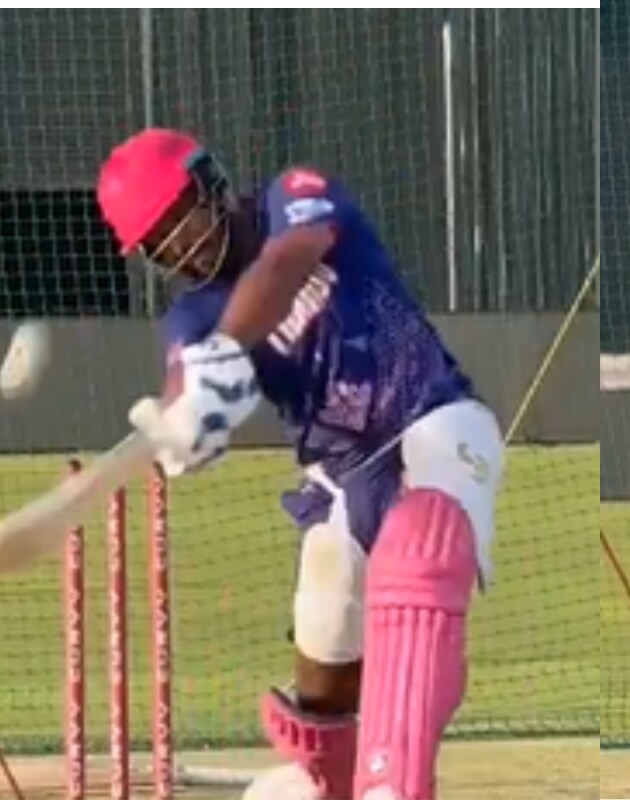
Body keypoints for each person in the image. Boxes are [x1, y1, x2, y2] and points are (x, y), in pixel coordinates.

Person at [96, 128, 506, 800]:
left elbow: (285, 265)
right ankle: (328, 777)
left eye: (179, 219)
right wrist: (184, 423)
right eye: (157, 242)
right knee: (327, 609)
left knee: (420, 547)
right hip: (339, 470)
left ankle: (394, 783)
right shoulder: (192, 318)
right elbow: (183, 377)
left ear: (210, 184)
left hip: (432, 415)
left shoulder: (294, 198)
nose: (178, 245)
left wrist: (224, 350)